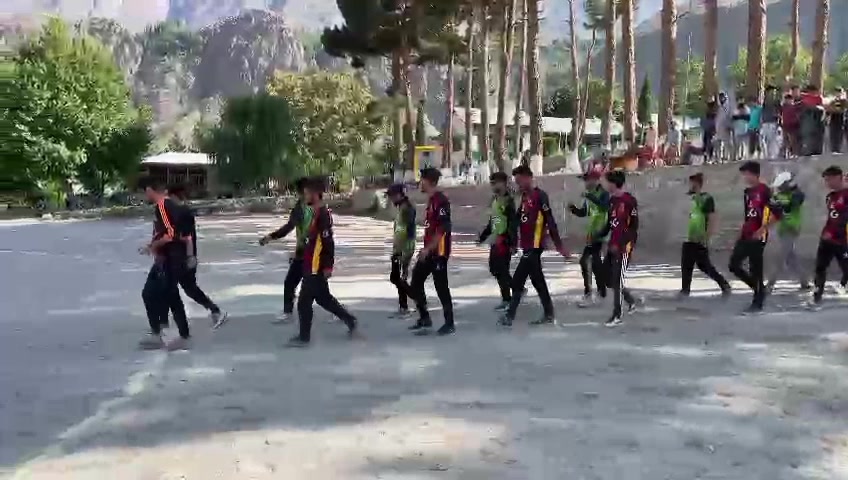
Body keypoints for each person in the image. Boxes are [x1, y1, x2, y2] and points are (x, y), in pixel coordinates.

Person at [288, 176, 359, 347]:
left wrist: (328, 266)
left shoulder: (323, 215)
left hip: (316, 265)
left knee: (304, 302)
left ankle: (304, 338)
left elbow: (328, 242)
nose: (305, 196)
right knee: (323, 299)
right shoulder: (315, 213)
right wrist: (300, 253)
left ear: (315, 194)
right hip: (310, 262)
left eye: (307, 193)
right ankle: (350, 320)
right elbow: (312, 240)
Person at [499, 165, 570, 326]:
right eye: (516, 182)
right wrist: (512, 241)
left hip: (535, 246)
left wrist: (559, 246)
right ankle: (549, 313)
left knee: (517, 281)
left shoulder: (540, 196)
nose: (518, 184)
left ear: (529, 178)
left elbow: (550, 221)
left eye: (520, 181)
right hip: (526, 245)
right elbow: (518, 219)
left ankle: (510, 316)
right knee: (537, 281)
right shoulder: (524, 197)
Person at [137, 176, 191, 351]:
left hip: (169, 258)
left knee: (153, 294)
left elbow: (170, 234)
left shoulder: (162, 206)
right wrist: (151, 246)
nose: (144, 196)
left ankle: (161, 334)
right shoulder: (170, 206)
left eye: (144, 192)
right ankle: (171, 333)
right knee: (167, 295)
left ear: (149, 190)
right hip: (169, 257)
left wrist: (154, 246)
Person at [167, 183, 228, 329]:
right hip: (180, 256)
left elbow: (188, 237)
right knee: (188, 288)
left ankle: (165, 325)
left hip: (183, 257)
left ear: (174, 195)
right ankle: (214, 310)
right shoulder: (180, 211)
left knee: (174, 288)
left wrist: (190, 257)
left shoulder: (183, 212)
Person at [405, 168, 455, 335]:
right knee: (416, 281)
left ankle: (449, 323)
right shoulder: (432, 200)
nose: (420, 183)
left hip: (439, 252)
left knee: (441, 287)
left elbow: (443, 229)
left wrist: (428, 248)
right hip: (429, 251)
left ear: (431, 182)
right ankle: (424, 318)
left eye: (423, 180)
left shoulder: (441, 201)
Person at [259, 178, 311, 324]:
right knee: (295, 283)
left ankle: (341, 313)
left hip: (309, 253)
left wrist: (270, 237)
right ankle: (288, 312)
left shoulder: (309, 208)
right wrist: (271, 236)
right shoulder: (302, 207)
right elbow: (290, 227)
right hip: (305, 252)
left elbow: (290, 228)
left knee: (313, 288)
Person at [729, 161, 778, 315]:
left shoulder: (765, 191)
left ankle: (757, 303)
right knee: (733, 265)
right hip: (746, 233)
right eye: (743, 174)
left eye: (747, 174)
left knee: (756, 269)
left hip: (758, 235)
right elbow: (747, 215)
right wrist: (740, 232)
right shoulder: (747, 192)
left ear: (754, 174)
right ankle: (759, 290)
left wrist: (762, 229)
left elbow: (777, 214)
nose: (745, 177)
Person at [594, 170, 639, 327]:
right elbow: (610, 223)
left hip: (623, 247)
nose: (605, 185)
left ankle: (617, 315)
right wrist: (598, 235)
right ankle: (631, 301)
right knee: (608, 279)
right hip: (612, 246)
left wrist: (623, 244)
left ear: (613, 183)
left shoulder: (629, 201)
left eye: (607, 182)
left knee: (618, 280)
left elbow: (633, 228)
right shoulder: (612, 201)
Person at [680, 173, 732, 297]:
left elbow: (712, 218)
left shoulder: (706, 199)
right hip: (689, 236)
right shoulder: (691, 198)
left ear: (696, 184)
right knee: (686, 264)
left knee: (704, 266)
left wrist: (707, 236)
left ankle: (724, 284)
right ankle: (685, 290)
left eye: (691, 183)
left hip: (700, 237)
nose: (689, 185)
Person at [568, 168, 609, 307]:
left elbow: (604, 207)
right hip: (592, 233)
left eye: (587, 180)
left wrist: (590, 197)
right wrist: (574, 210)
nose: (585, 183)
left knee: (588, 261)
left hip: (601, 232)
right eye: (584, 180)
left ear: (596, 180)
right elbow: (584, 212)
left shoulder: (603, 194)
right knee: (591, 262)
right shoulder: (590, 195)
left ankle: (592, 293)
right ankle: (599, 292)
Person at [478, 171, 518, 311]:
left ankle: (507, 299)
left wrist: (513, 243)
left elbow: (513, 223)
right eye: (492, 183)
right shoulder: (495, 200)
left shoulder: (508, 201)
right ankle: (516, 287)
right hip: (495, 240)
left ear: (503, 183)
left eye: (495, 183)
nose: (493, 186)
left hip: (504, 240)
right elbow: (492, 221)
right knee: (494, 269)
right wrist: (483, 236)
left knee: (502, 270)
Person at [809, 166, 848, 309]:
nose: (827, 183)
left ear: (838, 177)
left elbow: (844, 218)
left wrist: (835, 232)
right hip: (826, 239)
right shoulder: (830, 197)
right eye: (825, 180)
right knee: (820, 267)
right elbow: (832, 217)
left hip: (842, 240)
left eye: (829, 179)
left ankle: (843, 286)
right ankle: (817, 296)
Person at [766, 172, 810, 293]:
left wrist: (777, 203)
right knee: (791, 258)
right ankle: (804, 282)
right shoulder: (778, 195)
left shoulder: (797, 195)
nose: (779, 188)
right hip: (782, 229)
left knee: (781, 256)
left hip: (792, 228)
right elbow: (771, 205)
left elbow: (791, 205)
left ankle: (770, 283)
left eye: (781, 186)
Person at [385, 183, 416, 317]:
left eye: (392, 196)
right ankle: (404, 307)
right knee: (397, 278)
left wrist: (400, 251)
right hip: (400, 247)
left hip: (405, 248)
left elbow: (406, 232)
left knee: (398, 278)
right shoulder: (402, 208)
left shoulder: (407, 209)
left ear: (399, 195)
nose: (391, 199)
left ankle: (418, 299)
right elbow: (399, 230)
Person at [760, 86, 781, 159]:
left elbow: (779, 112)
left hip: (773, 122)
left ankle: (773, 156)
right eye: (770, 92)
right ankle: (767, 155)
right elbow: (762, 112)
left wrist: (778, 121)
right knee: (766, 140)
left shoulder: (777, 102)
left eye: (773, 92)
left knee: (773, 140)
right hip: (765, 122)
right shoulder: (764, 101)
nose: (772, 93)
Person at [826, 88, 848, 154]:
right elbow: (829, 109)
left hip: (841, 119)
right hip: (833, 119)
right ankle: (834, 149)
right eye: (836, 92)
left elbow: (844, 109)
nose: (838, 94)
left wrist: (835, 110)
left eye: (839, 92)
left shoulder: (844, 101)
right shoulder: (833, 101)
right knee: (833, 134)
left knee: (839, 134)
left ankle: (838, 148)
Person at [781, 93, 800, 158]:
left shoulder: (794, 107)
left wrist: (796, 121)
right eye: (786, 99)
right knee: (785, 140)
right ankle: (786, 153)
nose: (787, 101)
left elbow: (797, 116)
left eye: (788, 100)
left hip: (792, 126)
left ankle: (794, 153)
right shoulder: (783, 107)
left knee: (793, 140)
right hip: (785, 125)